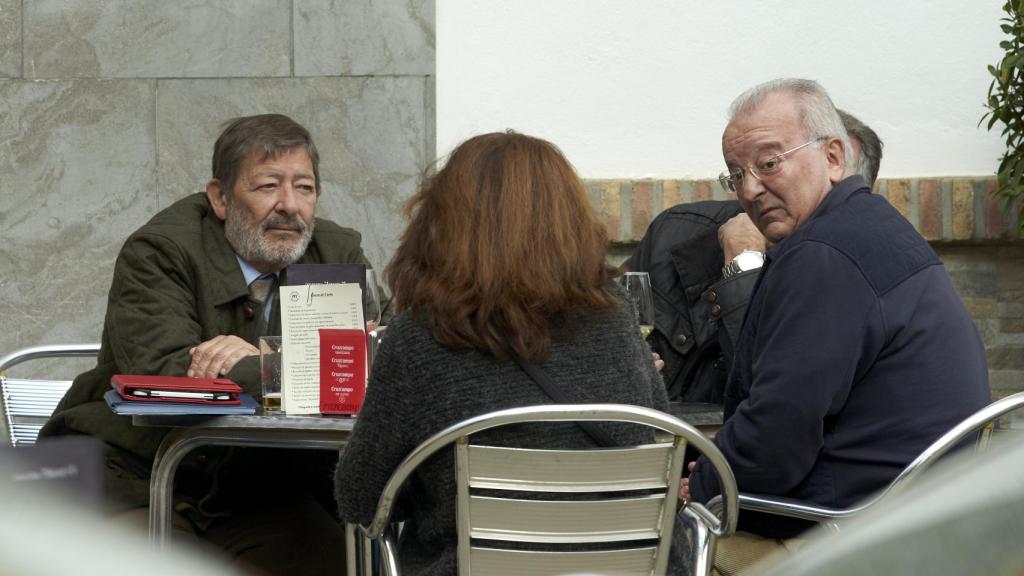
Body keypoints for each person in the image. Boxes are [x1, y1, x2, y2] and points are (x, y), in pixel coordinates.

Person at [334, 132, 683, 575]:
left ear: (443, 223)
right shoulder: (615, 316)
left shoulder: (417, 338)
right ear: (570, 222)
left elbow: (359, 498)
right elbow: (651, 439)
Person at [682, 78, 990, 574]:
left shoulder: (824, 254)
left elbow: (778, 438)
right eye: (735, 174)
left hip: (858, 534)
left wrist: (699, 487)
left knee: (658, 544)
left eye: (768, 163)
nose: (749, 190)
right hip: (921, 517)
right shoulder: (869, 225)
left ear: (833, 157)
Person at [40, 113, 371, 575]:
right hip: (134, 471)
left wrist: (265, 360)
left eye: (305, 188)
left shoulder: (338, 252)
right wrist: (295, 368)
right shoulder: (160, 251)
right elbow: (163, 370)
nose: (289, 205)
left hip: (253, 488)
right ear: (219, 197)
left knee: (338, 563)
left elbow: (371, 361)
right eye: (267, 186)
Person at [625, 109, 884, 402]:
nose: (752, 190)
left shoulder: (862, 274)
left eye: (771, 164)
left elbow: (776, 396)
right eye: (758, 168)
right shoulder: (677, 233)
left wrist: (743, 268)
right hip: (660, 440)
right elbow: (605, 327)